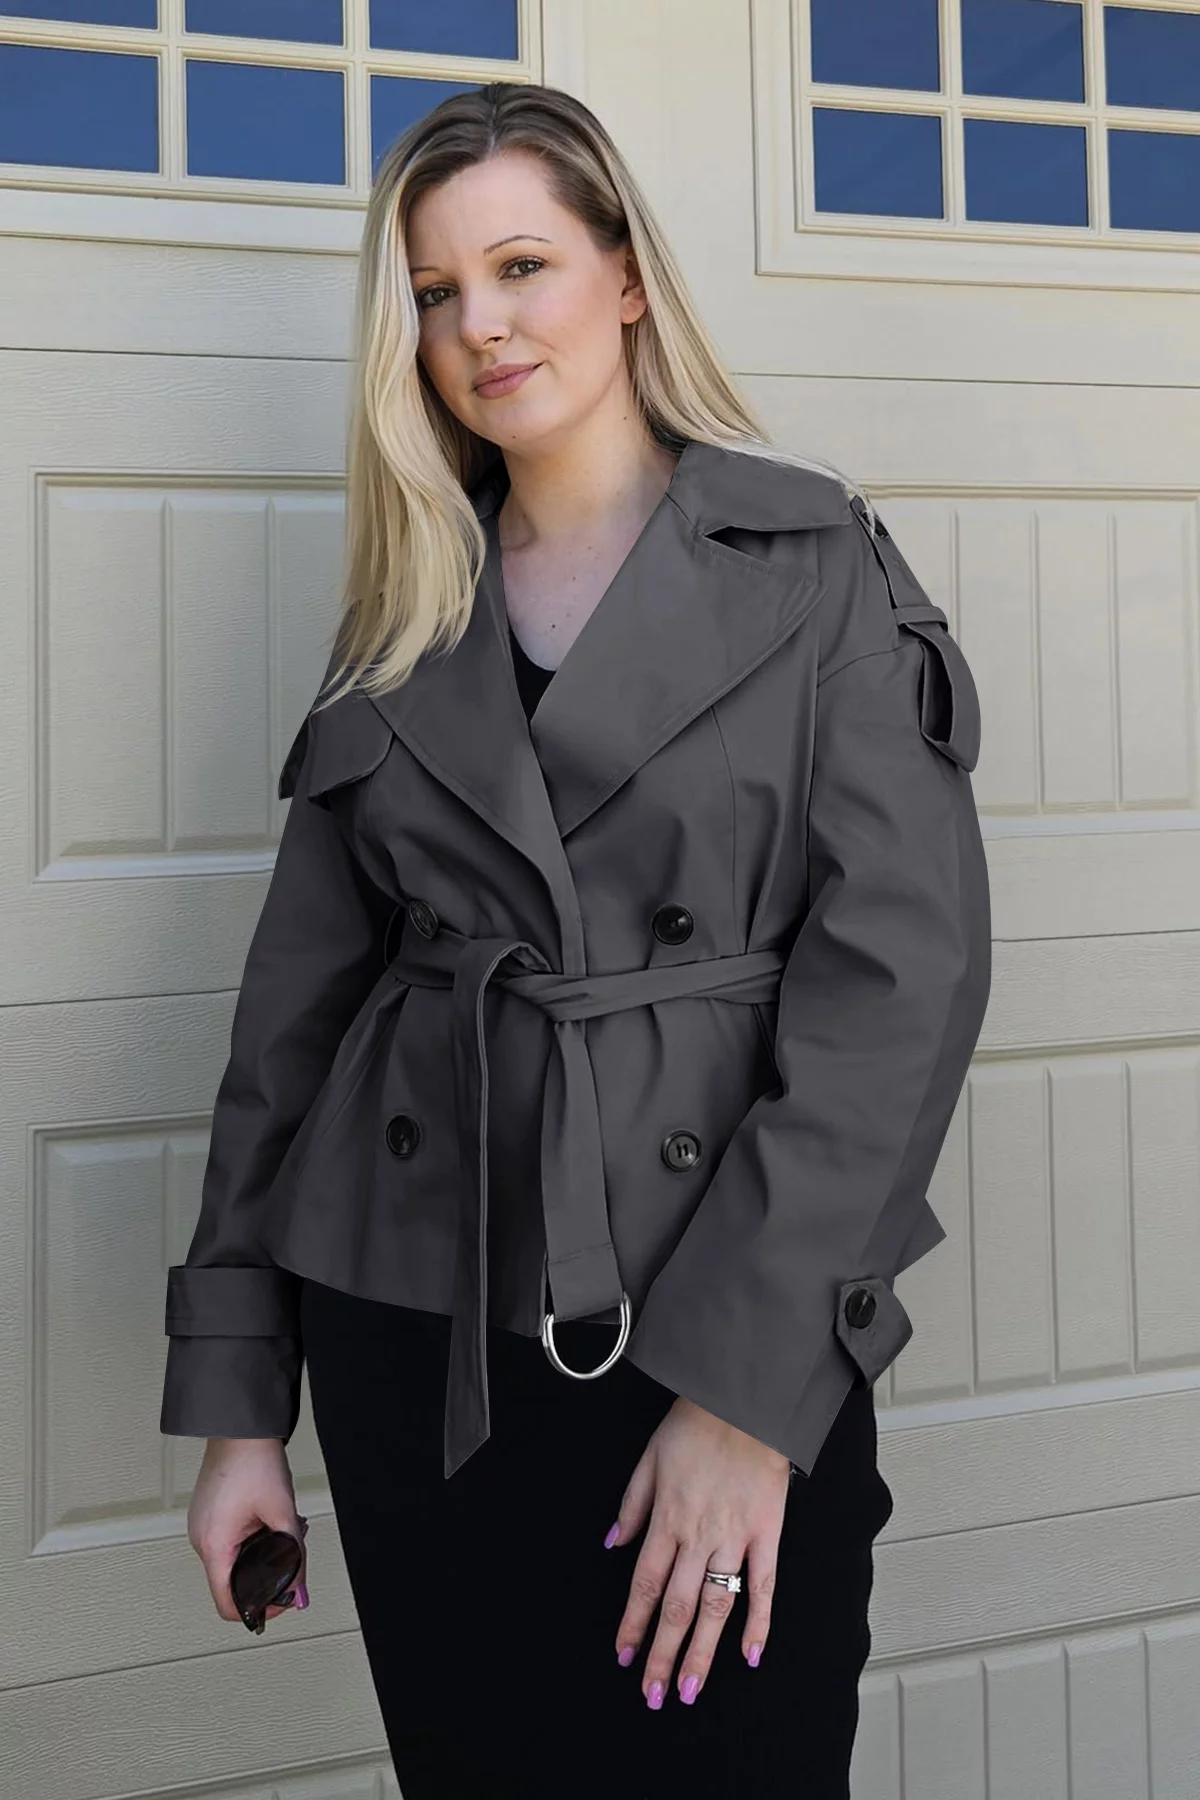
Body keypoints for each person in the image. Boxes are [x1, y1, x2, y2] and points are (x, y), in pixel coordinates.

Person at [160, 81, 992, 1799]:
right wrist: (242, 1406)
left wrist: (746, 1399)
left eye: (522, 265)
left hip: (712, 1315)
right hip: (416, 1343)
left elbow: (898, 990)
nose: (481, 323)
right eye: (437, 291)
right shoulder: (410, 605)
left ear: (625, 278)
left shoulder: (808, 564)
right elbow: (291, 1026)